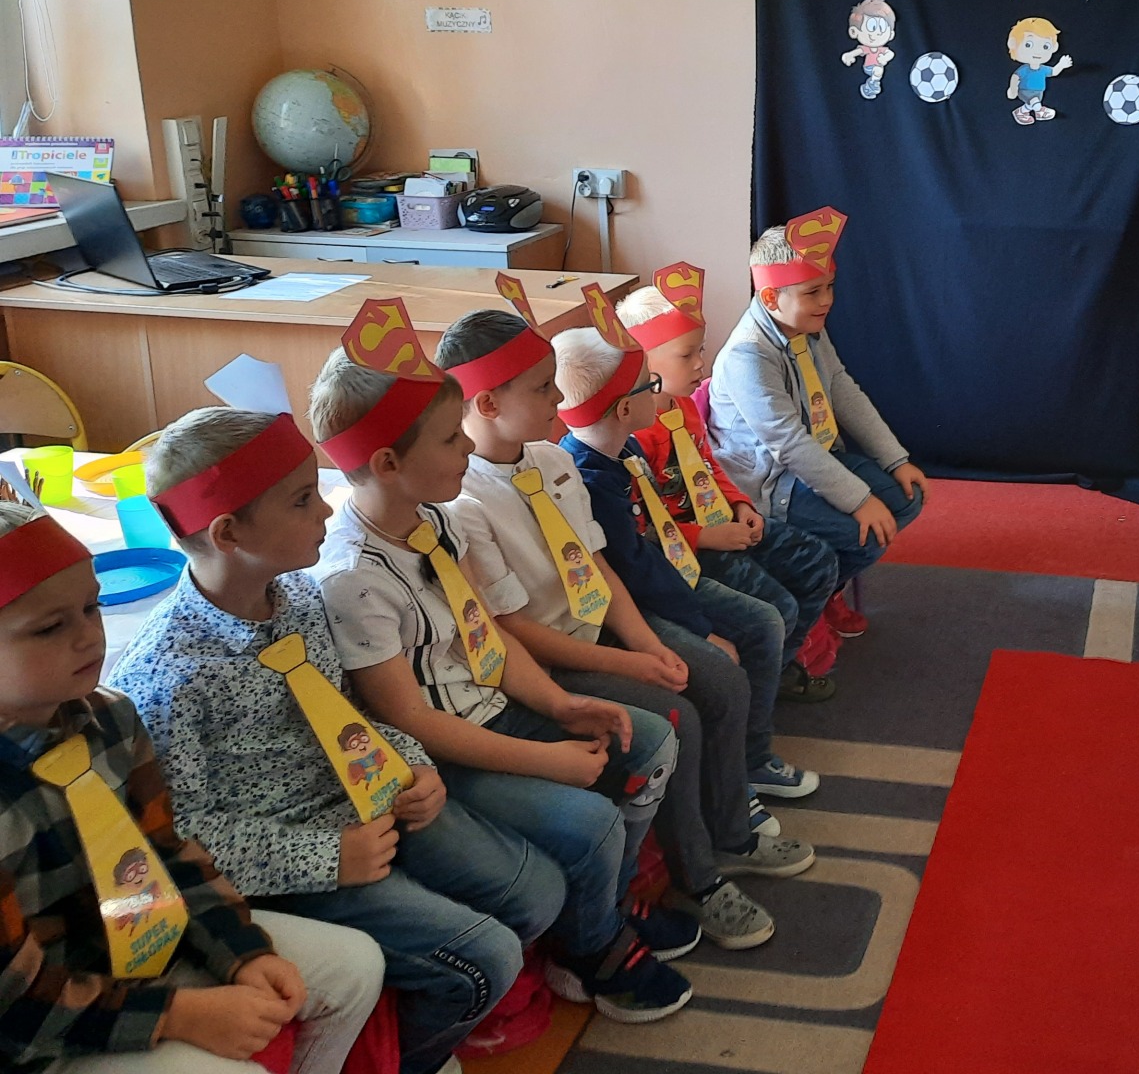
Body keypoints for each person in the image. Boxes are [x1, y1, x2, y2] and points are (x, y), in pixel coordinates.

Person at [114, 406, 565, 1074]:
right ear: (229, 532)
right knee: (485, 959)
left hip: (370, 807)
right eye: (302, 500)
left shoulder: (298, 596)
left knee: (538, 893)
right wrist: (329, 858)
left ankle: (413, 1024)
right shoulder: (166, 678)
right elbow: (180, 837)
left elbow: (348, 711)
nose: (326, 511)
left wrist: (413, 763)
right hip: (288, 864)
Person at [306, 310, 694, 1024]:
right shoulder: (352, 579)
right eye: (449, 438)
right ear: (388, 464)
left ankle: (602, 912)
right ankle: (592, 951)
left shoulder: (436, 519)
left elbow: (488, 634)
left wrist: (560, 705)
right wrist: (546, 758)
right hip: (446, 753)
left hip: (495, 708)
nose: (466, 447)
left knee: (650, 742)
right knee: (593, 825)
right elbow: (410, 718)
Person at [437, 305, 813, 954]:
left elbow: (598, 568)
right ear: (488, 404)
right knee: (678, 717)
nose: (559, 400)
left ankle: (733, 830)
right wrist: (631, 664)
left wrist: (647, 643)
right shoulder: (465, 501)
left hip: (601, 629)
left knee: (720, 677)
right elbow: (512, 627)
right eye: (543, 388)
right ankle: (698, 879)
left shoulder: (551, 460)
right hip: (554, 656)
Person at [0, 504, 385, 1074]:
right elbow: (11, 1006)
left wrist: (240, 952)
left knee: (355, 966)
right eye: (50, 627)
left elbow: (167, 852)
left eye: (91, 607)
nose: (88, 637)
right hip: (39, 1021)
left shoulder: (109, 717)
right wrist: (176, 1015)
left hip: (136, 937)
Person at [550, 323, 818, 804]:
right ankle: (748, 760)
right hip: (647, 596)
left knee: (770, 614)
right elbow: (635, 570)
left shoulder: (626, 448)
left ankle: (751, 746)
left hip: (672, 568)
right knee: (759, 626)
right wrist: (701, 628)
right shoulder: (591, 476)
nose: (657, 389)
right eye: (648, 384)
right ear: (625, 408)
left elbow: (656, 534)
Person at [618, 266, 841, 700]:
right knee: (778, 607)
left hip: (721, 520)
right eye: (686, 355)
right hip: (684, 546)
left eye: (699, 350)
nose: (700, 363)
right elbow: (644, 529)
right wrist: (707, 537)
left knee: (818, 563)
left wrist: (740, 504)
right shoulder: (633, 434)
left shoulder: (684, 405)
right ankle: (756, 692)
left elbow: (708, 465)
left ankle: (771, 672)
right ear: (644, 361)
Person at [706, 207, 927, 619]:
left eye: (829, 287)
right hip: (774, 482)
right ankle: (814, 594)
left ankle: (824, 583)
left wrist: (894, 459)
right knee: (867, 536)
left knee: (906, 501)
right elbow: (788, 445)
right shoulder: (748, 355)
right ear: (770, 298)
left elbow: (841, 387)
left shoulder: (808, 327)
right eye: (812, 292)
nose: (827, 301)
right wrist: (859, 500)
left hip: (819, 458)